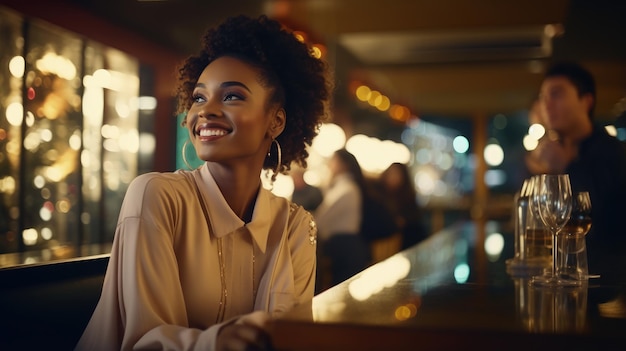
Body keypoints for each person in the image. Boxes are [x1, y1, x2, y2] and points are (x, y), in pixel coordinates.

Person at [75, 14, 332, 351]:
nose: (205, 111)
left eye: (231, 97)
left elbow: (292, 338)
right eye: (198, 97)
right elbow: (143, 341)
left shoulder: (296, 226)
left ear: (276, 120)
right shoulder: (156, 196)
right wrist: (218, 341)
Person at [532, 61, 626, 285]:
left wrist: (567, 166)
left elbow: (601, 217)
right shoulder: (554, 149)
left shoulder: (612, 151)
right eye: (544, 97)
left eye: (556, 94)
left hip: (609, 282)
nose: (547, 104)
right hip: (564, 275)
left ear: (586, 101)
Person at [314, 149, 370, 288]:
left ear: (344, 165)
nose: (329, 164)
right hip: (347, 245)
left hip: (344, 247)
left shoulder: (345, 188)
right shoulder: (345, 187)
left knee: (340, 289)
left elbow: (320, 219)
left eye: (333, 161)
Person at [377, 162, 427, 250]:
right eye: (391, 173)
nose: (393, 177)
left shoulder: (408, 197)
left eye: (396, 173)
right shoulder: (379, 195)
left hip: (407, 242)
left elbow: (414, 218)